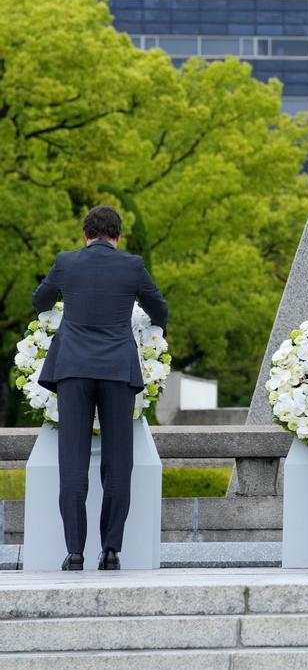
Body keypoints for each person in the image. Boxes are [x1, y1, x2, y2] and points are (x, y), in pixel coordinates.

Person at [32, 205, 168, 572]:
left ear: (85, 234)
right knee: (118, 463)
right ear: (118, 236)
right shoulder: (132, 265)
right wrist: (154, 332)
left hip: (73, 369)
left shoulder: (66, 262)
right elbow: (159, 307)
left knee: (72, 463)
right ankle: (111, 550)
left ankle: (74, 551)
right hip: (117, 371)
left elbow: (39, 301)